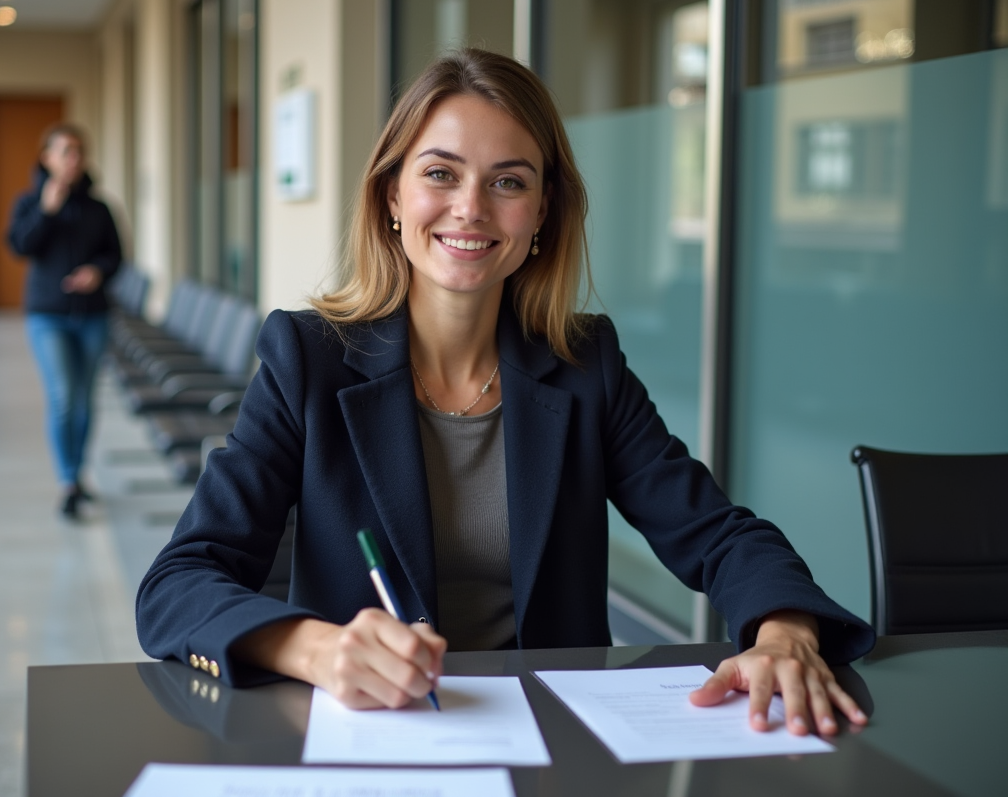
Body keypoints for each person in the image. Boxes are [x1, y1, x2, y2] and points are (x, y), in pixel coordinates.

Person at [136, 49, 874, 737]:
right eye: (440, 174)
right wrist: (316, 649)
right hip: (370, 740)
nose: (471, 208)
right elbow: (178, 582)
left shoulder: (584, 366)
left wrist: (783, 632)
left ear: (542, 213)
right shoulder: (309, 358)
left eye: (509, 181)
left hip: (556, 741)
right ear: (392, 194)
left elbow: (720, 536)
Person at [7, 123, 122, 519]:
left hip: (92, 315)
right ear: (47, 157)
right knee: (63, 398)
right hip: (47, 315)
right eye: (66, 151)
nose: (74, 159)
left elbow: (117, 256)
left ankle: (78, 472)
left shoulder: (100, 207)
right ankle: (67, 481)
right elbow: (20, 246)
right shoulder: (30, 203)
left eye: (79, 151)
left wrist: (97, 272)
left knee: (86, 401)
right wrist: (46, 211)